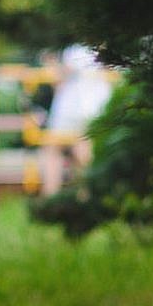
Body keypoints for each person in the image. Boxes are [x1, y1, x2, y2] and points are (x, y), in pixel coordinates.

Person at [36, 43, 114, 195]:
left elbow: (62, 76)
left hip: (74, 107)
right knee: (79, 150)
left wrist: (51, 64)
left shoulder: (77, 47)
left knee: (55, 149)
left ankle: (53, 196)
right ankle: (84, 195)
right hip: (95, 105)